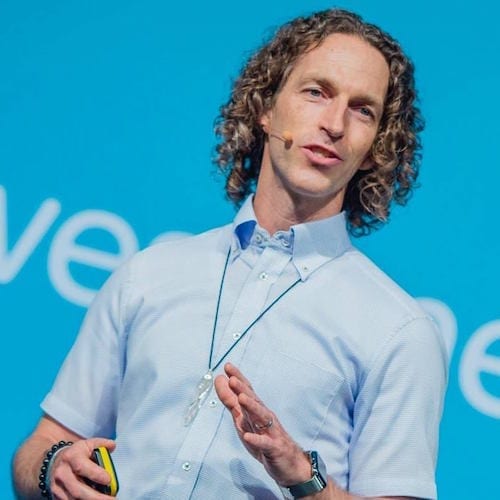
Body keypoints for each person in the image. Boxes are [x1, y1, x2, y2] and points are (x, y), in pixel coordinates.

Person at [13, 8, 447, 500]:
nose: (334, 124)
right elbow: (43, 444)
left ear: (375, 149)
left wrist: (304, 478)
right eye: (316, 92)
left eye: (362, 109)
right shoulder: (149, 275)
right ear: (265, 107)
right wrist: (52, 467)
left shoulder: (398, 331)